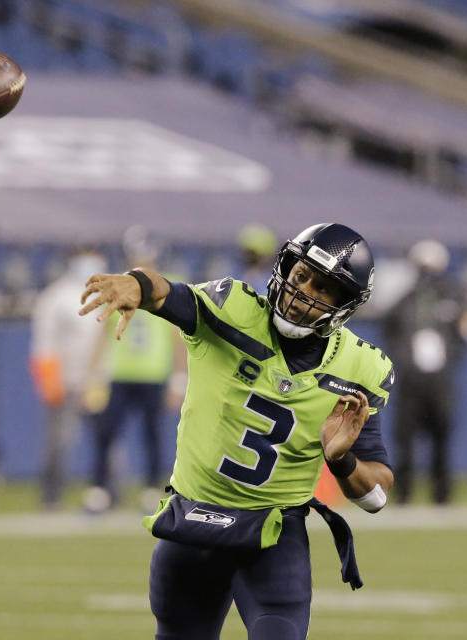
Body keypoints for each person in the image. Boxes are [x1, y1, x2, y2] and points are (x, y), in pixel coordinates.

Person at [80, 222, 395, 640]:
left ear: (346, 304)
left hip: (274, 537)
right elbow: (165, 293)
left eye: (322, 289)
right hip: (194, 523)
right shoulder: (232, 307)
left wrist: (341, 459)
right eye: (301, 276)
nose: (302, 294)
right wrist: (137, 283)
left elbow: (376, 495)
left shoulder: (359, 369)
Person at [85, 228, 186, 513]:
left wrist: (178, 380)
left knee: (152, 436)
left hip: (153, 374)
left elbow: (177, 337)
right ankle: (100, 489)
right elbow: (101, 331)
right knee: (107, 432)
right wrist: (93, 376)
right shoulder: (117, 286)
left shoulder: (167, 289)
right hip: (120, 372)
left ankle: (151, 488)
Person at [383, 239, 467, 505]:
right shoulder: (406, 301)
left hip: (440, 379)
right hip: (412, 378)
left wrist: (451, 359)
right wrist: (402, 358)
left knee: (441, 437)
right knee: (405, 439)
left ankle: (442, 494)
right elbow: (390, 328)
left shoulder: (454, 300)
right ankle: (403, 494)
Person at [29, 248, 106, 510]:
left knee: (109, 443)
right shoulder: (56, 295)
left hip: (98, 381)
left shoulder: (109, 291)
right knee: (59, 443)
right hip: (68, 381)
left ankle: (108, 494)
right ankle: (51, 496)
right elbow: (44, 343)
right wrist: (49, 380)